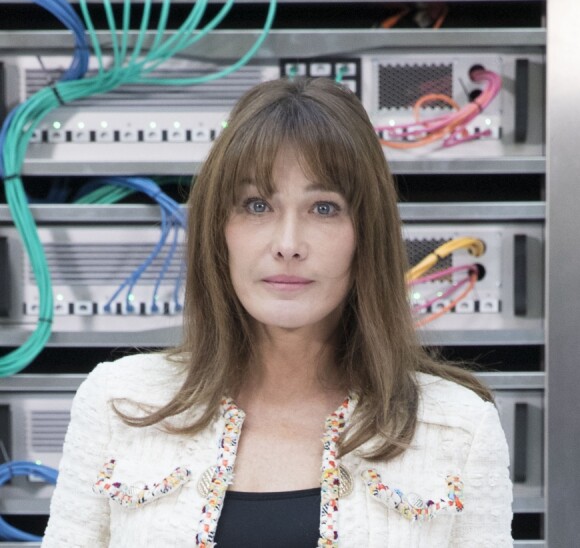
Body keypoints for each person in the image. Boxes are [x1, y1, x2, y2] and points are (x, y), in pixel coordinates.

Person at [42, 77, 512, 547]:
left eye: (324, 208)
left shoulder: (459, 429)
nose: (287, 245)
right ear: (218, 230)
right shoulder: (118, 404)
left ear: (366, 235)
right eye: (257, 205)